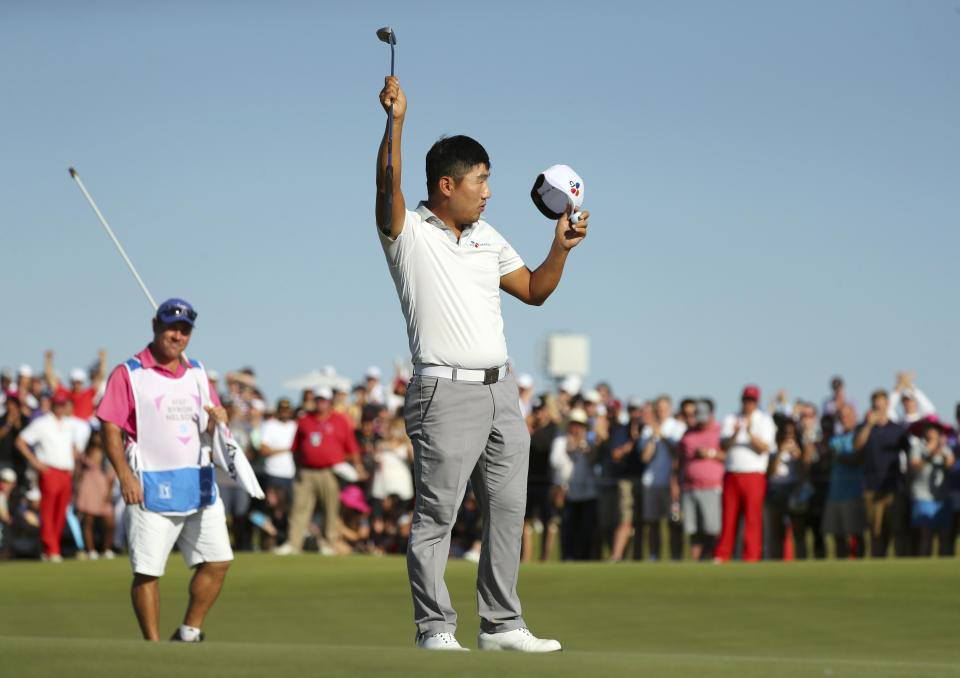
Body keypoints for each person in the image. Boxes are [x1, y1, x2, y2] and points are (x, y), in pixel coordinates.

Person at [375, 75, 588, 652]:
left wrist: (559, 248)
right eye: (481, 181)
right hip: (443, 393)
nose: (489, 191)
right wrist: (395, 122)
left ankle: (501, 625)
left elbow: (535, 291)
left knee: (509, 509)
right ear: (447, 185)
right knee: (437, 515)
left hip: (501, 392)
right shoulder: (407, 232)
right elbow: (389, 183)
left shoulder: (487, 235)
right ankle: (435, 629)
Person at [96, 298, 233, 642]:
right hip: (148, 484)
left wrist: (221, 420)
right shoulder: (128, 373)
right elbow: (110, 427)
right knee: (147, 572)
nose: (177, 335)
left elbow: (211, 423)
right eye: (172, 327)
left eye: (184, 330)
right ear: (155, 324)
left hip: (199, 484)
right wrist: (124, 476)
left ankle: (189, 631)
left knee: (218, 561)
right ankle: (153, 648)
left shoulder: (199, 373)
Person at [274, 386, 359, 555]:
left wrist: (357, 467)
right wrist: (298, 468)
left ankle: (328, 544)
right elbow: (296, 448)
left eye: (324, 400)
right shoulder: (305, 420)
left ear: (330, 402)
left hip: (330, 472)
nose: (321, 403)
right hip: (306, 471)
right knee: (299, 508)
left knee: (330, 509)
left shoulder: (340, 420)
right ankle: (293, 543)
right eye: (318, 400)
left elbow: (352, 448)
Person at [713, 385, 776, 563]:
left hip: (754, 475)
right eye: (746, 400)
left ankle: (751, 555)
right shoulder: (731, 418)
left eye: (752, 400)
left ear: (757, 402)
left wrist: (749, 433)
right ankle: (722, 554)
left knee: (752, 518)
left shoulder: (764, 420)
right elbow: (724, 446)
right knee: (728, 517)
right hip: (732, 474)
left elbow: (765, 447)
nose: (748, 404)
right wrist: (735, 432)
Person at [15, 390, 78, 561]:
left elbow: (72, 446)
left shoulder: (69, 423)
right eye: (57, 404)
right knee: (48, 511)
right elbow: (21, 441)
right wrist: (35, 463)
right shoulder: (42, 423)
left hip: (66, 472)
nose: (60, 407)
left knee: (61, 512)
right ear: (52, 405)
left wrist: (73, 463)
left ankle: (53, 546)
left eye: (62, 404)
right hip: (49, 471)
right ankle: (51, 549)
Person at [854, 390, 911, 557]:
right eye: (875, 406)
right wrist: (869, 425)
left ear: (887, 405)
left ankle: (901, 566)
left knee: (897, 529)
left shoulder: (898, 430)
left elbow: (909, 456)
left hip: (894, 487)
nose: (878, 409)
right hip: (871, 487)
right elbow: (857, 445)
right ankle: (878, 565)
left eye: (881, 405)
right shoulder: (863, 427)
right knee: (875, 531)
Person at [674, 398, 724, 561]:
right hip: (689, 487)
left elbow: (728, 455)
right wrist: (675, 484)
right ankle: (694, 562)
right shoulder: (688, 433)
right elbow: (679, 461)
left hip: (712, 487)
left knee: (711, 527)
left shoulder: (720, 431)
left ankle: (711, 558)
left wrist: (710, 453)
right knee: (693, 529)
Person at [639, 396, 686, 561]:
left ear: (670, 409)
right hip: (651, 482)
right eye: (658, 409)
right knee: (652, 522)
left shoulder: (678, 427)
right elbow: (645, 457)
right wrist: (653, 437)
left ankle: (676, 556)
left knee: (673, 522)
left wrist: (663, 437)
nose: (661, 411)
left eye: (664, 408)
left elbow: (677, 453)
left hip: (671, 482)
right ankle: (653, 556)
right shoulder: (647, 430)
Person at [820, 406, 866, 558]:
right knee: (836, 534)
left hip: (852, 494)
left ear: (854, 416)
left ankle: (858, 563)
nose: (844, 419)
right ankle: (841, 565)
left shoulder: (858, 437)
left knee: (855, 534)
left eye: (847, 416)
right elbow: (827, 466)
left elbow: (856, 459)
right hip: (834, 494)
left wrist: (836, 455)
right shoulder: (835, 439)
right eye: (842, 416)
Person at [906, 416, 955, 556]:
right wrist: (930, 454)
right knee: (926, 535)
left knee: (944, 535)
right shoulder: (917, 447)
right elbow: (914, 466)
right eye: (928, 429)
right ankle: (924, 566)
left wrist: (942, 452)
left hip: (942, 496)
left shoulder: (945, 448)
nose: (931, 432)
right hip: (922, 495)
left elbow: (950, 464)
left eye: (934, 429)